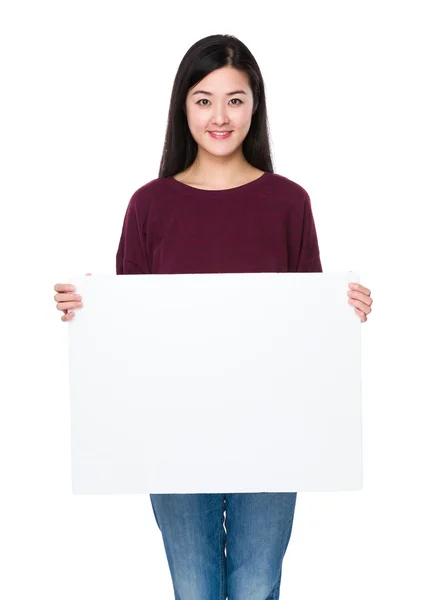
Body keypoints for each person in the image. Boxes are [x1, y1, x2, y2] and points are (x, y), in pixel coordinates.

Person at [53, 34, 373, 600]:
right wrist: (89, 311)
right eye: (203, 99)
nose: (220, 116)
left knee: (255, 585)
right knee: (195, 588)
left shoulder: (288, 202)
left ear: (256, 106)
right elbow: (131, 328)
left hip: (274, 431)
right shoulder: (149, 205)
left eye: (235, 99)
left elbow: (308, 325)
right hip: (172, 430)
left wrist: (344, 312)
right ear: (183, 107)